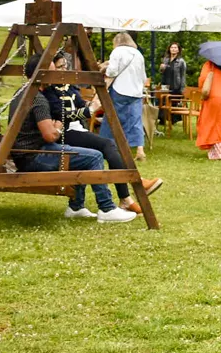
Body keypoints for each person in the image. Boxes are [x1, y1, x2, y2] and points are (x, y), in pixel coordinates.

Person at [10, 51, 136, 223]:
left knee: (83, 153)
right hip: (34, 156)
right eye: (53, 71)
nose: (56, 75)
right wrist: (59, 127)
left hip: (25, 153)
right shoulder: (38, 99)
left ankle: (76, 207)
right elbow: (50, 136)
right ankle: (107, 209)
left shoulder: (22, 91)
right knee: (94, 157)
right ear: (41, 73)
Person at [43, 51, 163, 217]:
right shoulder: (48, 91)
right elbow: (60, 114)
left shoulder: (68, 86)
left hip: (77, 129)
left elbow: (80, 104)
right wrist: (89, 110)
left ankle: (80, 205)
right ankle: (131, 189)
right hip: (64, 132)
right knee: (107, 144)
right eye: (59, 67)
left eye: (65, 66)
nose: (64, 69)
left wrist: (93, 101)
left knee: (103, 149)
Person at [100, 32, 149, 160]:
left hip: (120, 90)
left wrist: (105, 68)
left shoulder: (117, 52)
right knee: (136, 121)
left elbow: (112, 71)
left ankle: (110, 147)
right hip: (136, 92)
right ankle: (139, 149)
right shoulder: (138, 54)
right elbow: (144, 77)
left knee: (113, 119)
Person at [156, 41, 187, 132]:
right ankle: (161, 119)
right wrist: (161, 68)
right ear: (169, 49)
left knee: (171, 102)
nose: (173, 49)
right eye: (172, 47)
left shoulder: (181, 61)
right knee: (161, 100)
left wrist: (182, 89)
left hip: (175, 85)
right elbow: (161, 72)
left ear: (178, 50)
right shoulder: (165, 59)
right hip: (165, 84)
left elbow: (182, 76)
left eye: (175, 48)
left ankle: (172, 120)